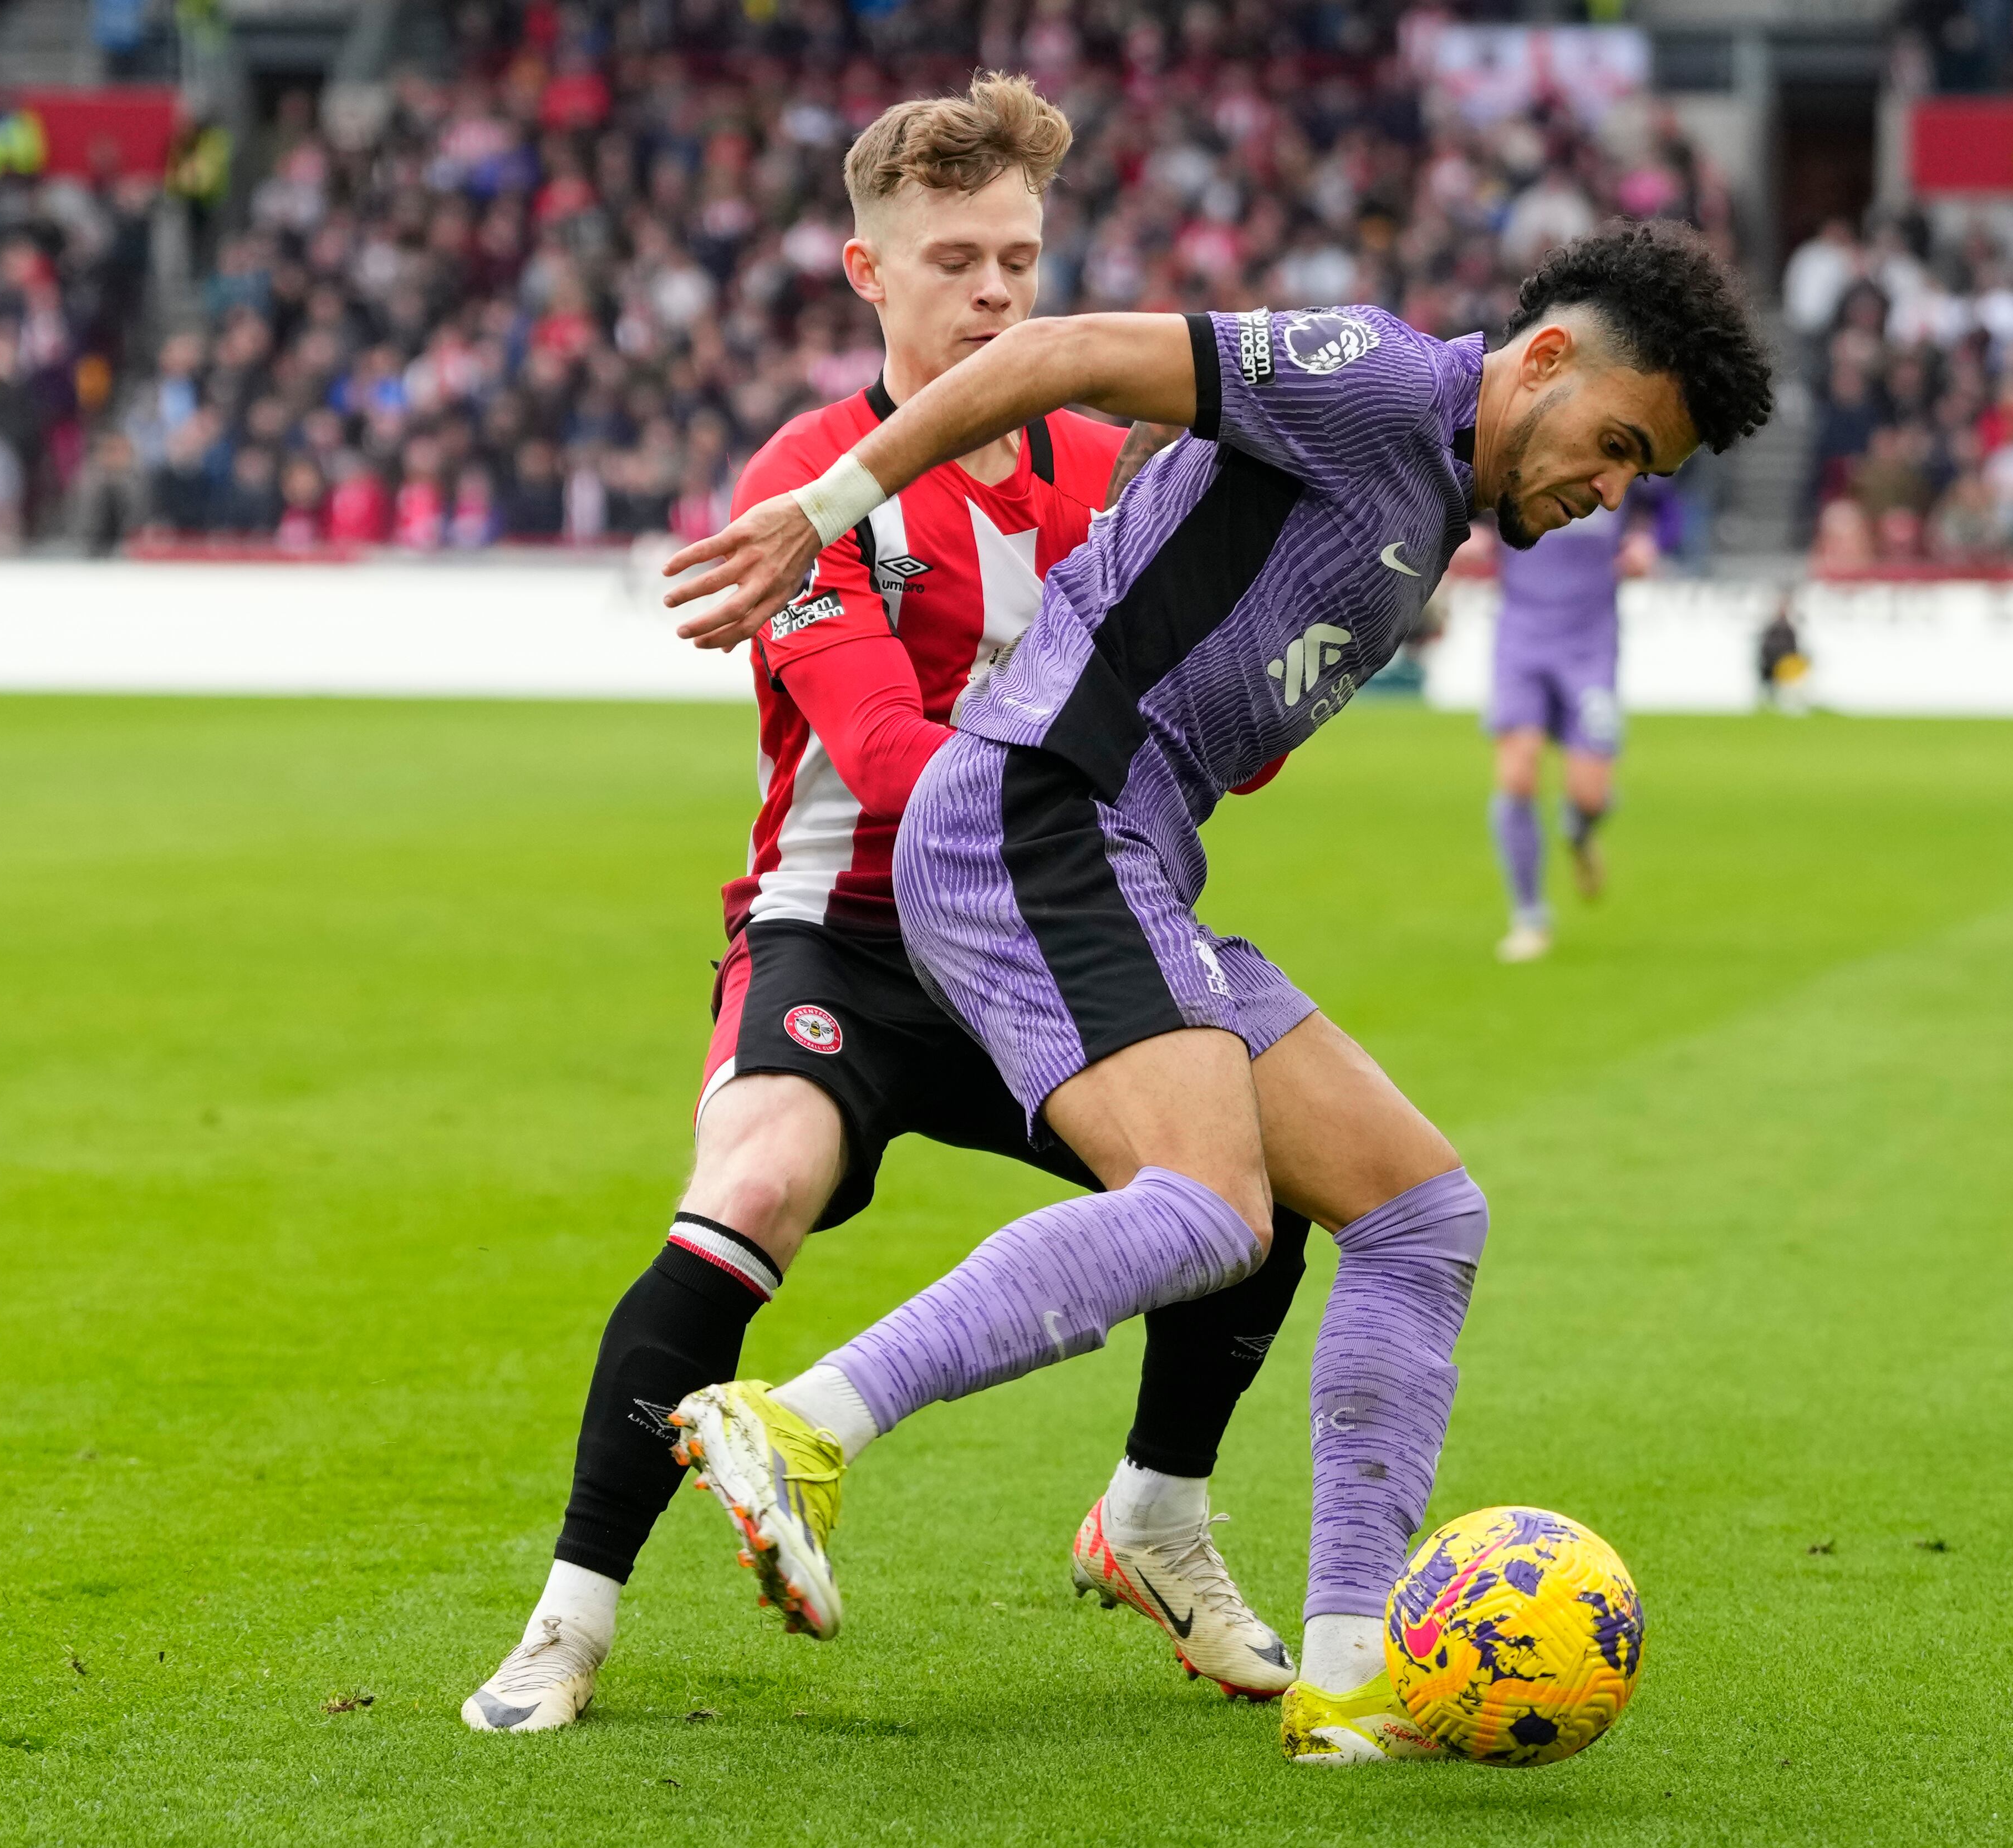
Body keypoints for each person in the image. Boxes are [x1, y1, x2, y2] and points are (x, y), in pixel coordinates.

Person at [657, 218, 1773, 1762]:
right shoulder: (1376, 378)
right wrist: (830, 508)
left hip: (1122, 850)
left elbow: (1166, 543)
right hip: (1037, 815)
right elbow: (1058, 357)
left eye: (1644, 472)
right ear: (1544, 361)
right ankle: (801, 1422)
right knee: (1207, 1206)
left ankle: (1342, 1672)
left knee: (1419, 1211)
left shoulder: (1431, 493)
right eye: (1617, 443)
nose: (1610, 490)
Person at [461, 74, 1310, 1737]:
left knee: (1250, 1183)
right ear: (870, 273)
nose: (994, 293)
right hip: (841, 933)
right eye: (952, 260)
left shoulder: (1099, 470)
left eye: (1018, 259)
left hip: (1038, 940)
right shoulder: (810, 479)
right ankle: (566, 1622)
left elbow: (1203, 739)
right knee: (759, 1177)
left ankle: (1156, 1515)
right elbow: (888, 756)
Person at [1485, 478, 1665, 963]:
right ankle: (1530, 917)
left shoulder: (1613, 468)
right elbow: (1469, 504)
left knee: (1590, 793)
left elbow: (1662, 511)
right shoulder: (1522, 463)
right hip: (1521, 635)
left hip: (1590, 645)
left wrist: (1650, 543)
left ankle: (1580, 828)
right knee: (1517, 775)